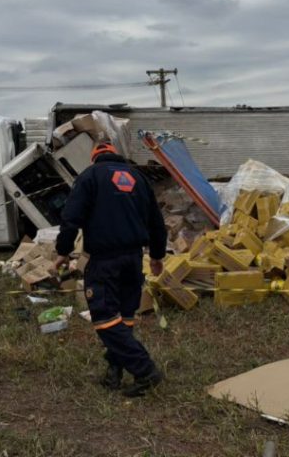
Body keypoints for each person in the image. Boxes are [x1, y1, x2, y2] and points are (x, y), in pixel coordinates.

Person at [54, 142, 167, 397]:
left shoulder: (90, 176)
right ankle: (114, 372)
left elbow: (71, 217)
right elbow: (156, 222)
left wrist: (63, 251)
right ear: (116, 156)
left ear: (94, 158)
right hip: (134, 259)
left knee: (105, 318)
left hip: (105, 260)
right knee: (124, 317)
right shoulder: (138, 178)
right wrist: (157, 256)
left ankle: (145, 370)